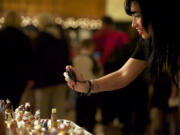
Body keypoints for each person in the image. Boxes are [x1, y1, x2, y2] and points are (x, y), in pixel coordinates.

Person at [65, 0, 179, 133]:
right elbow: (123, 74)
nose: (133, 24)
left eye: (137, 15)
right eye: (132, 17)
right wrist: (87, 86)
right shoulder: (147, 41)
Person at [0, 10, 33, 108]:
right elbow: (29, 59)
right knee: (13, 104)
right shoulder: (24, 38)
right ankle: (11, 122)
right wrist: (29, 77)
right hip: (18, 78)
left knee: (1, 104)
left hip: (1, 75)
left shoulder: (1, 36)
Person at [73, 39, 103, 133]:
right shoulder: (93, 59)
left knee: (79, 116)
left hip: (79, 90)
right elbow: (100, 73)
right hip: (91, 90)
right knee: (90, 116)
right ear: (90, 47)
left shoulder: (76, 59)